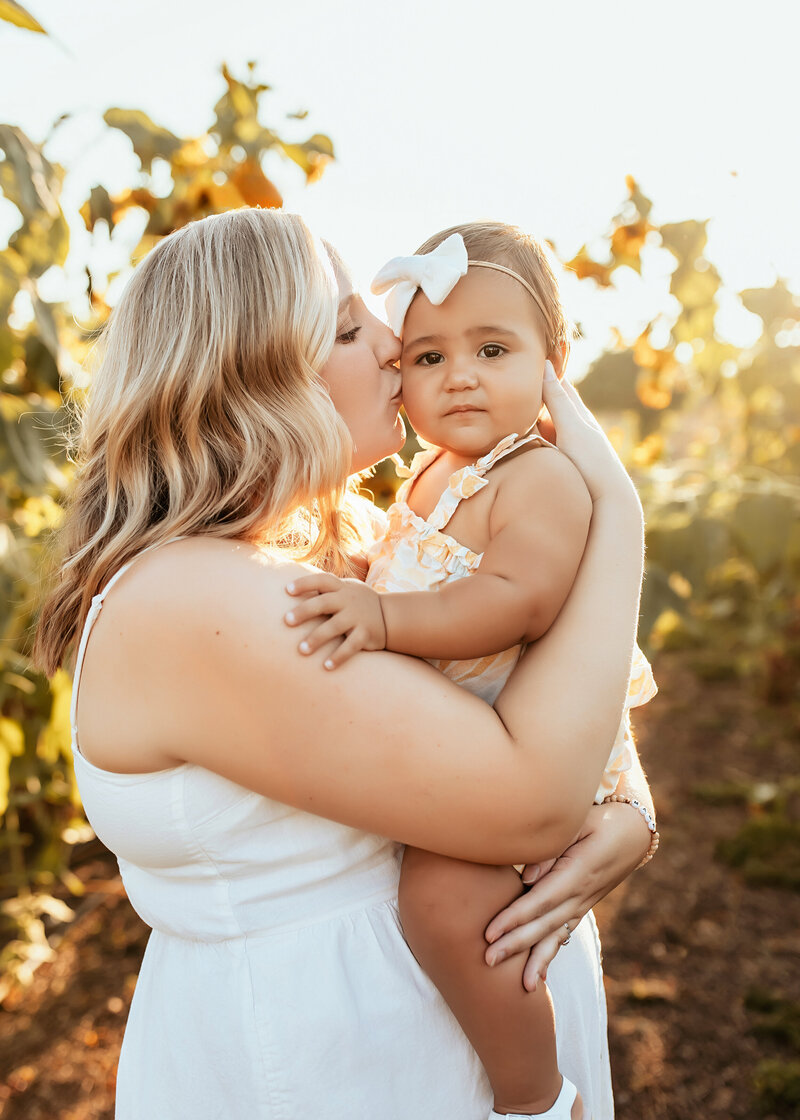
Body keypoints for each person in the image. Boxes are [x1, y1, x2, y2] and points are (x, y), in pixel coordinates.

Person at [34, 207, 654, 1120]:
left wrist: (626, 803)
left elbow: (516, 673)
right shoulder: (193, 602)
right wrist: (620, 520)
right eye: (355, 328)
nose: (398, 347)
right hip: (333, 1075)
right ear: (266, 373)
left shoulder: (341, 552)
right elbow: (529, 798)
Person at [283, 222, 658, 1120]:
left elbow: (513, 601)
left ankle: (533, 1097)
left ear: (553, 366)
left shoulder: (539, 478)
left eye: (493, 349)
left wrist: (383, 617)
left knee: (449, 904)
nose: (459, 376)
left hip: (530, 741)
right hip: (473, 739)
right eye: (427, 355)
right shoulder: (429, 477)